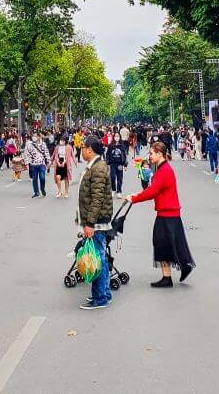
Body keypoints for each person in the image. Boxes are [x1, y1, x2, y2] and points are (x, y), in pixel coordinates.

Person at [126, 141, 195, 287]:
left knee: (163, 243)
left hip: (167, 213)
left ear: (159, 153)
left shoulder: (164, 171)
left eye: (151, 153)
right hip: (169, 212)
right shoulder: (163, 169)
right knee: (170, 243)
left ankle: (175, 272)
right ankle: (171, 274)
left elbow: (152, 191)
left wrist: (134, 198)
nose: (149, 156)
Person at [77, 135, 114, 310]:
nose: (81, 150)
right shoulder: (95, 166)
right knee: (101, 257)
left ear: (89, 149)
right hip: (97, 220)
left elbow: (97, 199)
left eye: (82, 147)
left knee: (96, 258)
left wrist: (90, 223)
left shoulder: (98, 168)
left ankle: (100, 298)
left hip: (97, 222)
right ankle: (104, 293)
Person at [24, 132, 50, 198]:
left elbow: (46, 152)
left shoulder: (43, 144)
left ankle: (42, 189)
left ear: (39, 137)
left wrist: (49, 162)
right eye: (33, 136)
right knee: (34, 179)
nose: (34, 137)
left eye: (35, 136)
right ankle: (36, 192)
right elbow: (26, 154)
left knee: (42, 177)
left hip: (42, 163)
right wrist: (27, 163)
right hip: (33, 164)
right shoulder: (29, 144)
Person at [106, 133, 128, 199]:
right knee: (112, 177)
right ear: (113, 137)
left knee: (119, 178)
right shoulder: (110, 145)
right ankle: (113, 189)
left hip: (120, 164)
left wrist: (125, 164)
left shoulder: (122, 145)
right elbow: (107, 154)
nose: (116, 137)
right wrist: (107, 162)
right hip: (112, 164)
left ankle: (119, 192)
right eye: (115, 136)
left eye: (118, 136)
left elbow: (124, 155)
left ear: (120, 137)